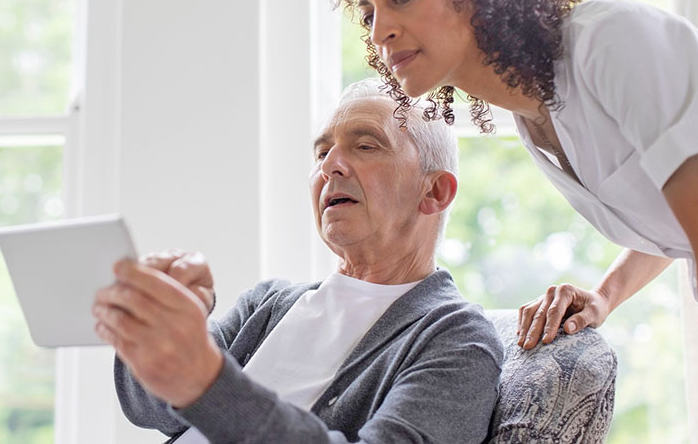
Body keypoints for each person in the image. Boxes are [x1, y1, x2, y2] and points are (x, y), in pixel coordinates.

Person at [334, 0, 698, 369]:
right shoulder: (532, 116)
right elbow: (682, 211)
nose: (379, 32)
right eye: (369, 13)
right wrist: (604, 296)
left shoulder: (611, 42)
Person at [91, 80, 503, 443]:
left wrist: (209, 384)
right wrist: (161, 325)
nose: (330, 166)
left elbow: (204, 390)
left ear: (434, 191)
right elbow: (148, 407)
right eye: (322, 152)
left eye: (365, 145)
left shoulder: (457, 337)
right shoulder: (268, 305)